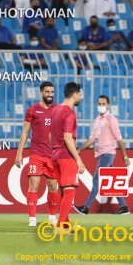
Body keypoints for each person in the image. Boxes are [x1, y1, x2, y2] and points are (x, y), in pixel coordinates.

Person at [74, 95, 131, 215]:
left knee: (96, 179)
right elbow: (92, 139)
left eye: (103, 104)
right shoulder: (97, 119)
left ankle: (86, 208)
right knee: (111, 181)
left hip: (107, 153)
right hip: (101, 154)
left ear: (108, 104)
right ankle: (124, 206)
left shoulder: (111, 119)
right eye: (99, 104)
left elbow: (119, 139)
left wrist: (125, 157)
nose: (101, 106)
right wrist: (81, 149)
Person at [15, 81, 60, 227]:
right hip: (36, 153)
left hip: (52, 155)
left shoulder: (58, 110)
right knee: (34, 184)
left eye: (52, 92)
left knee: (53, 186)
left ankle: (52, 217)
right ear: (41, 93)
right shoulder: (33, 110)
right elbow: (25, 132)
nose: (50, 95)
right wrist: (19, 153)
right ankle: (32, 219)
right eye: (47, 92)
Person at [50, 82, 85, 228]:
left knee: (64, 191)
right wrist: (78, 159)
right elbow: (67, 137)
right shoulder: (69, 113)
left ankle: (66, 224)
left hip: (55, 155)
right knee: (70, 191)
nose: (81, 98)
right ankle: (60, 226)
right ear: (75, 95)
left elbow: (51, 135)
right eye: (80, 95)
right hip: (66, 156)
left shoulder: (55, 110)